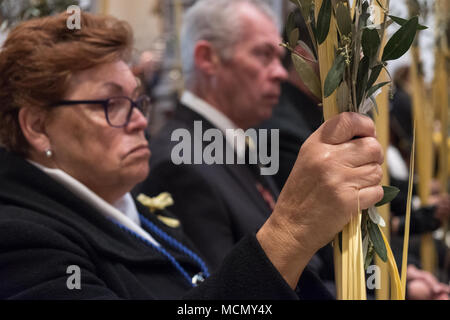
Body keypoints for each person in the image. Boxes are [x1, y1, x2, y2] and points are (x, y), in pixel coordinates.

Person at [0, 10, 385, 300]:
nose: (138, 121)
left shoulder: (132, 208)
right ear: (36, 125)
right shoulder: (20, 240)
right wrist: (291, 231)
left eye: (138, 100)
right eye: (113, 103)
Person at [135, 0, 290, 271]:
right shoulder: (179, 164)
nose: (280, 73)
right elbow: (226, 295)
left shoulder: (232, 142)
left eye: (279, 58)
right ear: (207, 59)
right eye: (264, 55)